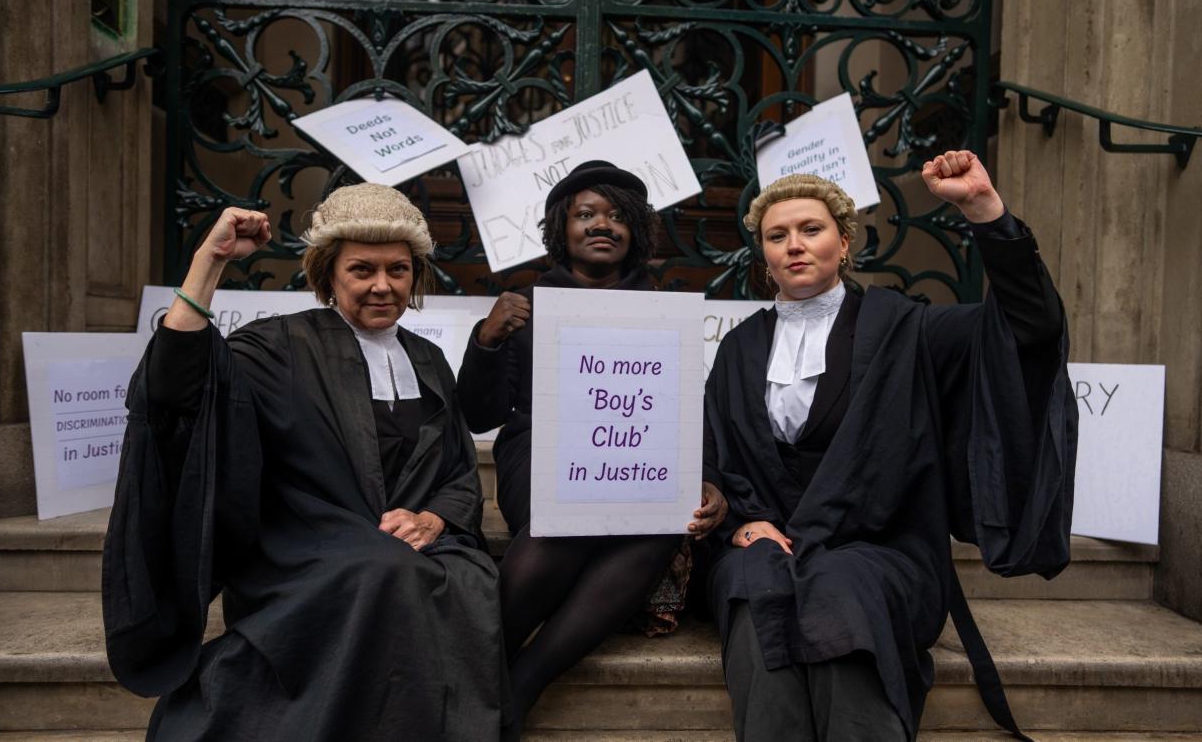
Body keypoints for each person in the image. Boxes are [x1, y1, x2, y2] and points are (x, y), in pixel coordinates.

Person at [102, 184, 506, 740]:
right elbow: (174, 389)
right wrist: (209, 262)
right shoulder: (279, 344)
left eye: (398, 270)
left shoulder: (429, 359)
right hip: (304, 543)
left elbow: (459, 470)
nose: (383, 286)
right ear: (328, 275)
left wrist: (434, 519)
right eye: (362, 270)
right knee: (382, 572)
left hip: (409, 545)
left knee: (457, 579)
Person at [703, 151, 1076, 741]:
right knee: (753, 582)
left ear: (844, 242)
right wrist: (738, 526)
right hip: (768, 543)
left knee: (841, 587)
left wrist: (983, 209)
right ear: (765, 256)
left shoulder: (908, 328)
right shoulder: (738, 350)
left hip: (881, 549)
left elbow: (1031, 325)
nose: (794, 245)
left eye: (811, 229)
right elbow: (714, 458)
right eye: (777, 236)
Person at [457, 160, 728, 738]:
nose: (600, 225)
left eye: (615, 216)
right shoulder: (523, 306)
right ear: (563, 228)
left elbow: (681, 411)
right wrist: (486, 339)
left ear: (634, 229)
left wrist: (703, 480)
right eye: (585, 215)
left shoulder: (663, 310)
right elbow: (479, 414)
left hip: (634, 458)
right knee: (570, 513)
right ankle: (478, 667)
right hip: (539, 455)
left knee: (659, 522)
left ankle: (524, 682)